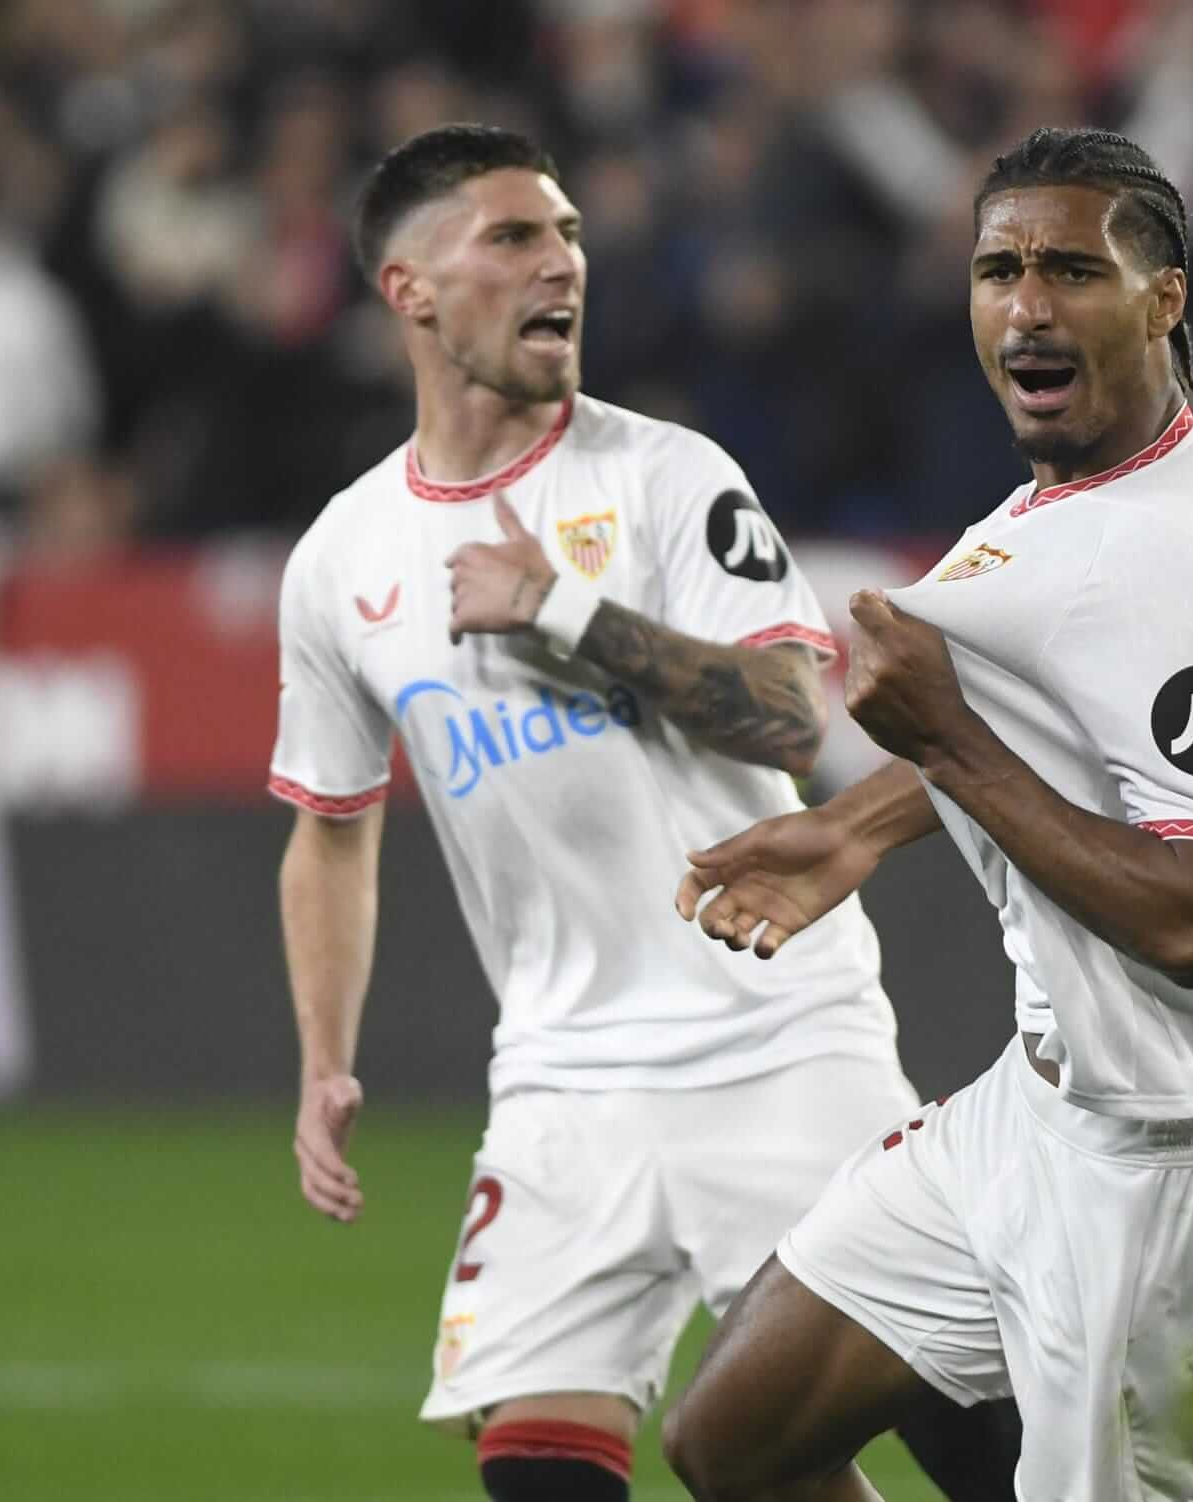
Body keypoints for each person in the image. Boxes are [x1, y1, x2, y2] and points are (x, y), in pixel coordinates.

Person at [268, 125, 1019, 1502]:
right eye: (512, 237)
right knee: (545, 1476)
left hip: (778, 1043)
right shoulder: (342, 559)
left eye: (566, 235)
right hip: (562, 1078)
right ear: (410, 290)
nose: (561, 260)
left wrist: (567, 615)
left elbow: (797, 715)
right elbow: (330, 821)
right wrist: (326, 1053)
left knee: (975, 1444)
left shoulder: (665, 477)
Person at [665, 126, 1193, 1502]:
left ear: (1164, 302)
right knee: (733, 1437)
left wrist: (953, 742)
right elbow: (1042, 730)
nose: (1027, 304)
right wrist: (852, 831)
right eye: (999, 268)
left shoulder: (1184, 562)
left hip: (1180, 1181)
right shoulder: (1069, 501)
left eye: (1072, 271)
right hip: (1037, 1119)